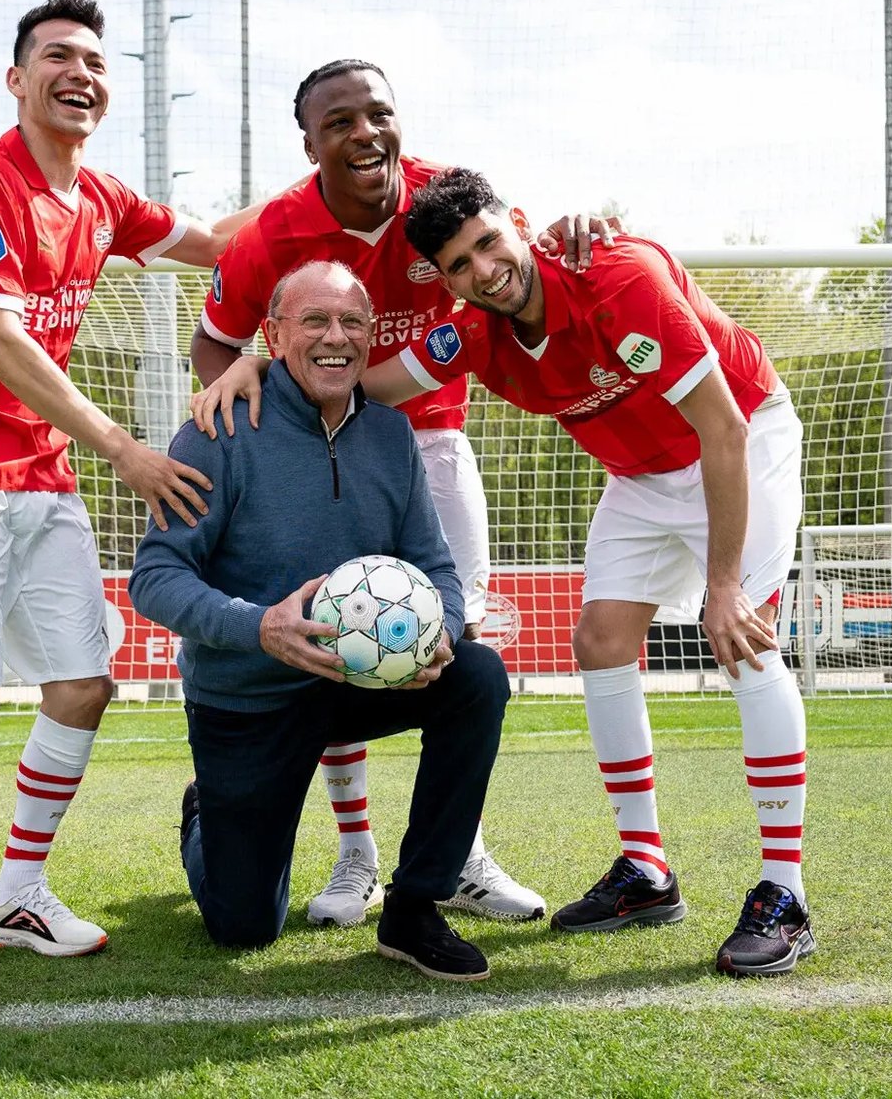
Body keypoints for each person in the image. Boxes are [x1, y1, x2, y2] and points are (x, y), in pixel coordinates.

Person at [193, 167, 814, 977]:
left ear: (516, 225)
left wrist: (725, 587)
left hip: (739, 446)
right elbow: (365, 382)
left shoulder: (622, 279)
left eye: (489, 243)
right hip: (641, 477)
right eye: (459, 264)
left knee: (748, 643)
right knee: (598, 643)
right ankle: (646, 870)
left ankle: (784, 892)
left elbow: (724, 428)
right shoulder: (473, 337)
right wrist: (256, 367)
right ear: (443, 281)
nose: (484, 270)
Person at [190, 58, 615, 928]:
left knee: (452, 648)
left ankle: (457, 857)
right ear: (307, 144)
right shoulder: (273, 234)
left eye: (378, 114)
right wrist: (257, 410)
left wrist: (584, 227)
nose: (364, 133)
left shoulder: (446, 202)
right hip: (321, 447)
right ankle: (355, 858)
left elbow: (523, 260)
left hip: (432, 443)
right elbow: (213, 346)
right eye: (339, 122)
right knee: (334, 627)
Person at [0, 0, 252, 988]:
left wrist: (346, 197)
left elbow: (220, 243)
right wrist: (125, 450)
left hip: (40, 477)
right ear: (17, 79)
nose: (78, 72)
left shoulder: (104, 201)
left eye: (93, 59)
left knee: (82, 683)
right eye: (55, 56)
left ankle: (15, 895)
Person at [131, 260, 513, 982]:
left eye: (351, 323)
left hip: (355, 680)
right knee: (244, 927)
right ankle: (205, 816)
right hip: (249, 695)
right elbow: (154, 577)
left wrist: (440, 630)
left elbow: (436, 568)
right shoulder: (217, 429)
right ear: (272, 335)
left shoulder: (393, 437)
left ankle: (415, 908)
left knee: (479, 675)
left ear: (371, 337)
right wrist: (257, 627)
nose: (335, 338)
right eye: (314, 321)